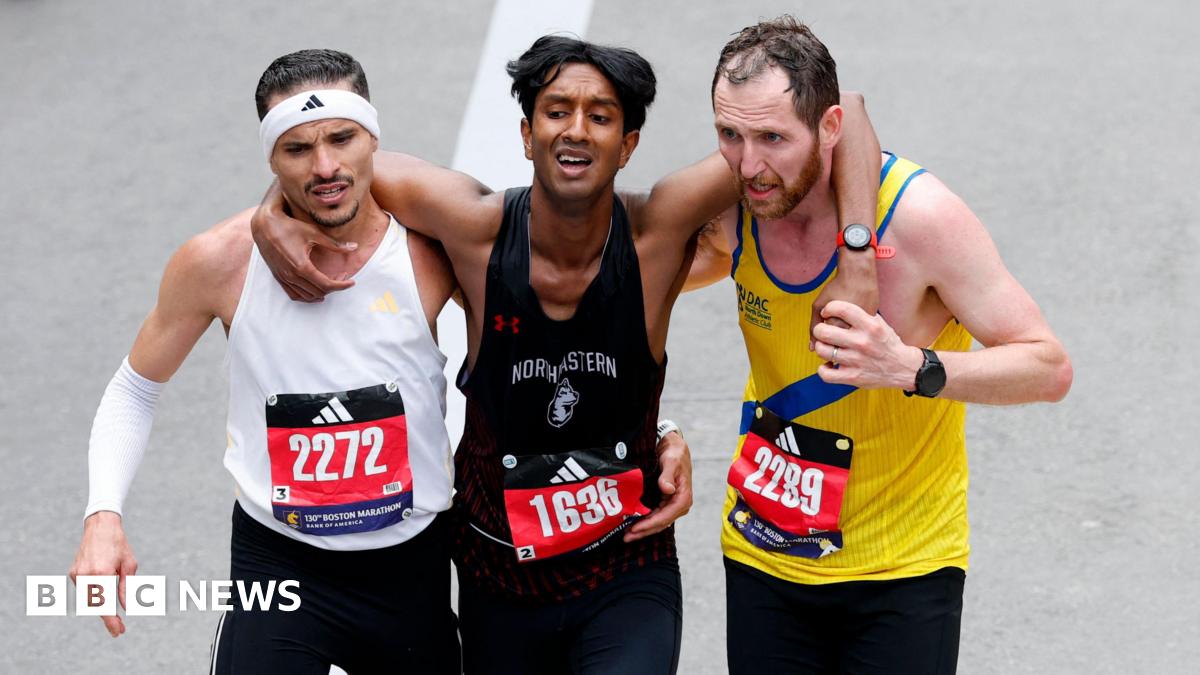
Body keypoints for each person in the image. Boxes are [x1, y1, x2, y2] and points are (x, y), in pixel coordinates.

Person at [252, 35, 883, 674]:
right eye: (556, 112)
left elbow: (845, 110)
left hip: (625, 569)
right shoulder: (475, 229)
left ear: (628, 144)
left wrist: (857, 256)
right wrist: (270, 209)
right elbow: (327, 168)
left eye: (601, 117)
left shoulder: (658, 231)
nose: (575, 131)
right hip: (497, 574)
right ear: (527, 134)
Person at [694, 17, 1074, 674]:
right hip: (765, 551)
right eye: (730, 134)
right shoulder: (735, 209)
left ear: (830, 127)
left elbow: (1047, 365)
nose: (749, 164)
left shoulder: (922, 218)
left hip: (903, 568)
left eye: (774, 138)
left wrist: (909, 366)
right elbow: (619, 291)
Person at [68, 49, 462, 674]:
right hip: (280, 566)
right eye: (296, 149)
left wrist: (653, 428)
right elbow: (133, 390)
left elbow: (559, 330)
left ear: (374, 140)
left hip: (410, 569)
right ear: (270, 158)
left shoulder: (434, 250)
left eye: (342, 138)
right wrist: (102, 515)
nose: (325, 166)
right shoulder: (218, 262)